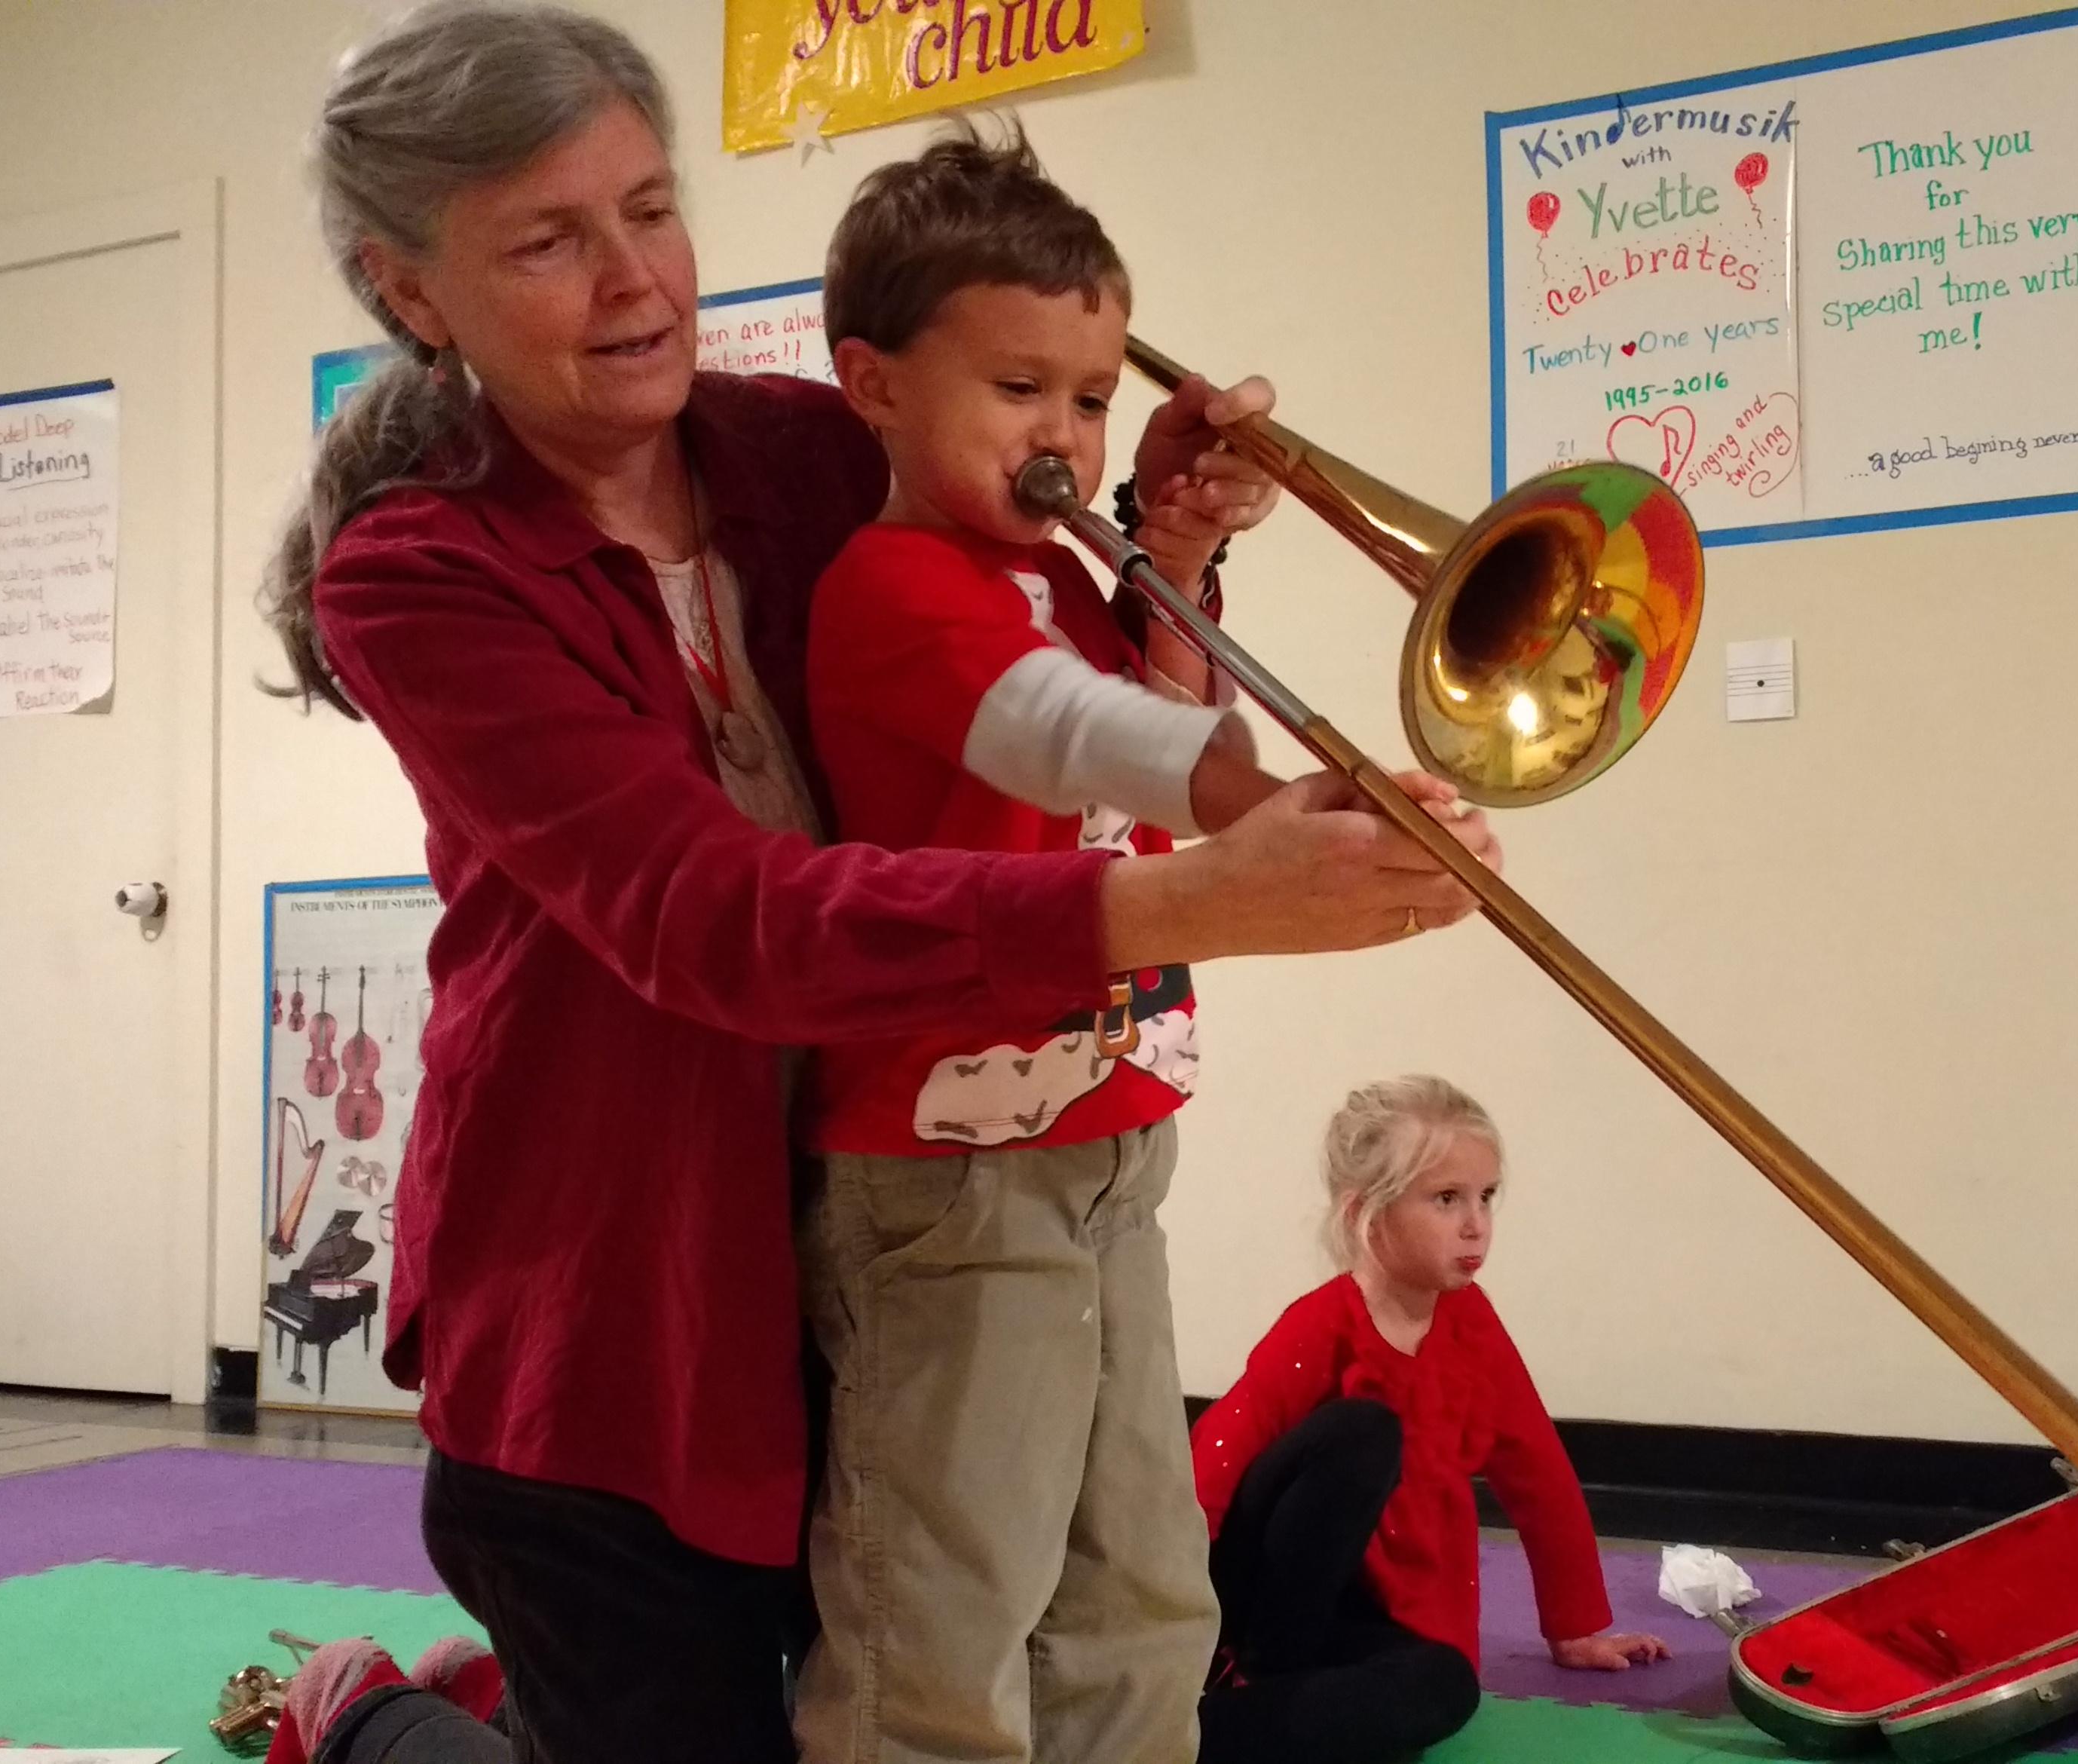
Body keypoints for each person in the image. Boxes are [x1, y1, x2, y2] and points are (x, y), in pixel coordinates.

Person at [252, 5, 1498, 1760]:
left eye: (652, 207)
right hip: (622, 1326)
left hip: (872, 1237)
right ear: (411, 292)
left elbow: (1038, 669)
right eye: (548, 241)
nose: (639, 280)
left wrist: (1153, 519)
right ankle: (371, 1717)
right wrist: (1179, 905)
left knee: (1020, 1634)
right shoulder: (414, 576)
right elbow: (718, 917)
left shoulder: (803, 449)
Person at [786, 129, 1319, 1764]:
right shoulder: (895, 581)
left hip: (1109, 1146)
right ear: (872, 385)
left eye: (1088, 399)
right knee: (940, 1618)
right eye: (1020, 388)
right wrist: (1282, 794)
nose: (1063, 438)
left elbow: (1150, 707)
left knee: (1146, 1600)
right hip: (949, 1183)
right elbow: (1067, 737)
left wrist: (1174, 541)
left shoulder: (1067, 579)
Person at [1189, 1078, 1672, 1764]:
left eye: (1487, 1197)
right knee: (1363, 1433)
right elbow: (1214, 1463)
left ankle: (1207, 1734)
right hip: (1256, 1604)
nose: (1476, 1224)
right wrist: (1161, 1630)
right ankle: (1224, 1682)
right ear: (1368, 1214)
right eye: (1446, 1200)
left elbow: (1536, 1469)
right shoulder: (1320, 1326)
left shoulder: (1474, 1327)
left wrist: (1574, 1628)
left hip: (1357, 1622)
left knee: (1448, 1689)